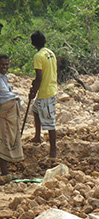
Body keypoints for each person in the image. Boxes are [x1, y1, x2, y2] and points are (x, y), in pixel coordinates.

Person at [29, 31, 57, 159]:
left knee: (50, 123)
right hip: (51, 88)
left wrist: (34, 91)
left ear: (33, 44)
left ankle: (53, 152)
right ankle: (37, 136)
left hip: (46, 93)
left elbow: (39, 77)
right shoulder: (51, 53)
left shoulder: (38, 56)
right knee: (35, 109)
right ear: (45, 41)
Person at [0, 54, 24, 181]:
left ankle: (4, 172)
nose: (5, 67)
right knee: (3, 140)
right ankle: (4, 173)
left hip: (5, 114)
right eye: (2, 64)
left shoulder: (4, 78)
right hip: (3, 114)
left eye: (6, 64)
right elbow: (5, 96)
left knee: (4, 140)